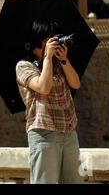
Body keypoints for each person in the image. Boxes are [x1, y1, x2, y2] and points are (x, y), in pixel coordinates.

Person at [15, 19, 84, 184]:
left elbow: (76, 83)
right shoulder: (24, 65)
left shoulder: (58, 63)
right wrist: (46, 59)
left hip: (68, 131)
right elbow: (43, 87)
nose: (54, 41)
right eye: (50, 37)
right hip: (44, 133)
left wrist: (64, 60)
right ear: (38, 39)